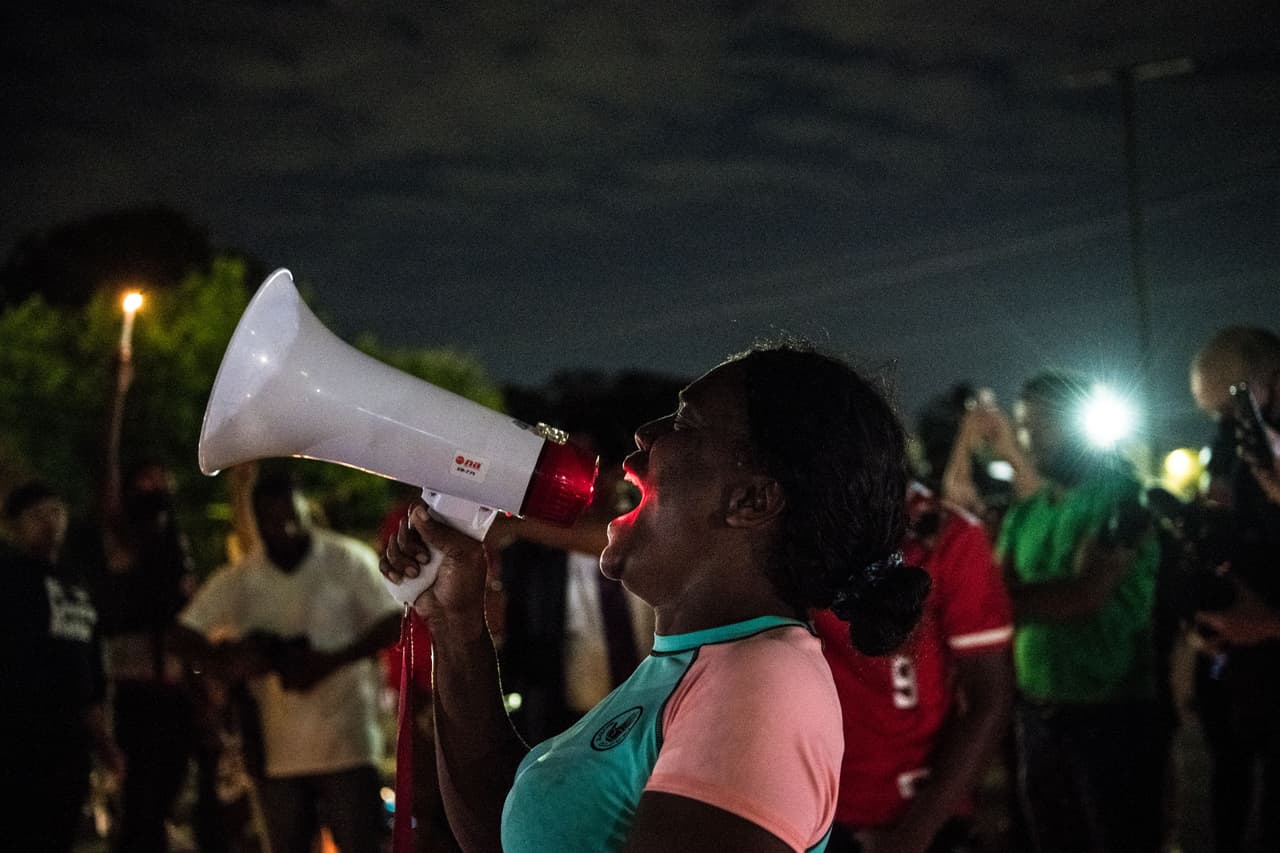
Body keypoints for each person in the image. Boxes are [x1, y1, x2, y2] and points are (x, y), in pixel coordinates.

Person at [382, 342, 932, 853]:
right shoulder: (699, 664)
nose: (645, 434)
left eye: (685, 421)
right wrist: (457, 624)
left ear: (752, 500)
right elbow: (502, 830)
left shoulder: (762, 680)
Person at [173, 470, 403, 853]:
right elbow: (182, 636)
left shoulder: (346, 560)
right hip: (275, 753)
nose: (284, 527)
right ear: (258, 520)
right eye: (272, 518)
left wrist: (327, 661)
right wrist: (231, 661)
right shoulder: (243, 578)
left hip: (347, 744)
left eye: (291, 516)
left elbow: (393, 621)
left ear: (305, 511)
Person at [980, 372, 1163, 853]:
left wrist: (982, 604)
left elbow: (1085, 595)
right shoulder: (1026, 513)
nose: (1028, 437)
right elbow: (999, 593)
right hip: (1038, 714)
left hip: (1114, 715)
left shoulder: (1124, 498)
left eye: (1043, 423)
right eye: (1022, 425)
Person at [815, 481, 1014, 853]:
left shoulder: (943, 534)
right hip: (800, 809)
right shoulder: (778, 529)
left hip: (907, 815)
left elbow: (988, 696)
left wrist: (912, 836)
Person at [94, 354, 199, 853]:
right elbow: (107, 477)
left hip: (178, 691)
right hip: (137, 694)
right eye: (147, 479)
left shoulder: (177, 551)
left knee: (166, 801)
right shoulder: (125, 545)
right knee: (140, 804)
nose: (156, 486)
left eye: (163, 479)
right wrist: (118, 395)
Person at [1187, 326, 1280, 853]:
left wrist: (1267, 623)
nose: (1224, 430)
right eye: (1213, 417)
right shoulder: (1235, 458)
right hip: (1244, 674)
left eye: (1232, 410)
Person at [1, 480, 123, 853]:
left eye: (56, 512)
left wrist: (103, 740)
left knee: (61, 828)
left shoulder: (76, 584)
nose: (49, 522)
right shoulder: (9, 578)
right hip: (17, 737)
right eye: (37, 516)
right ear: (14, 527)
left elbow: (89, 665)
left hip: (70, 739)